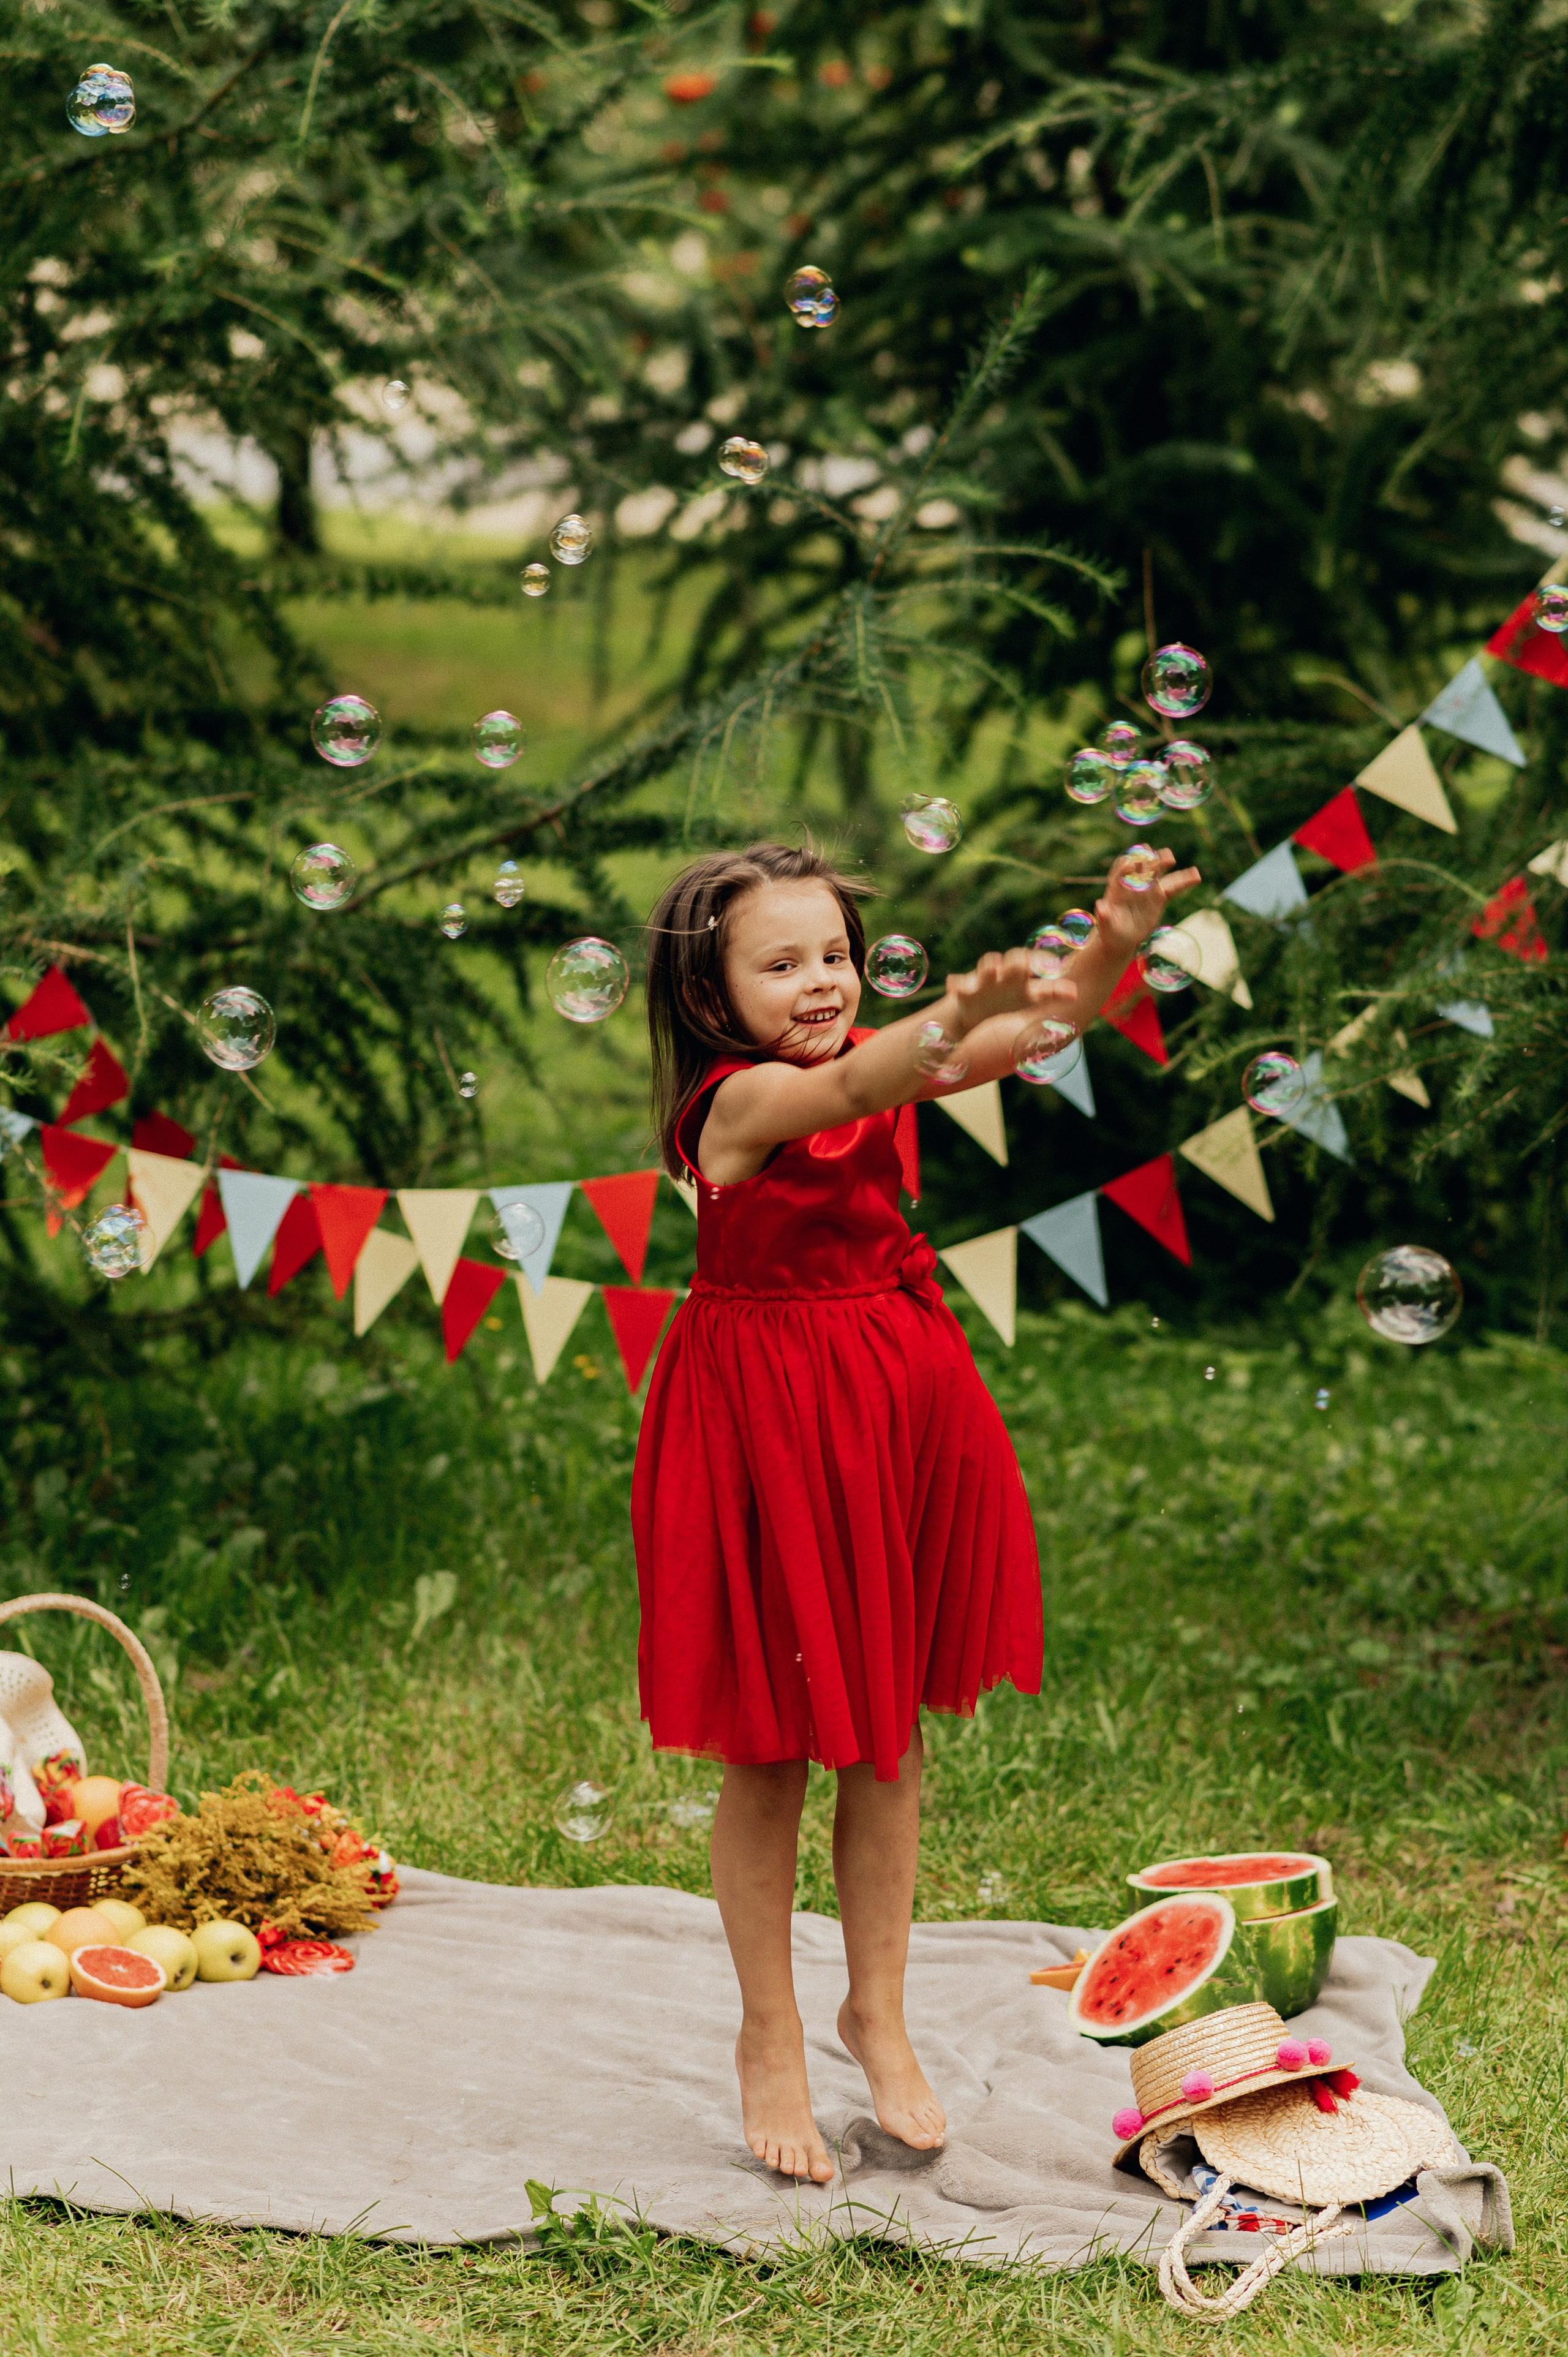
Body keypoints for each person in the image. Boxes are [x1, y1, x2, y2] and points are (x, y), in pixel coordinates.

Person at [633, 839, 1199, 2185]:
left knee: (883, 1736)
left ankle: (872, 2009)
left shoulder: (877, 1046)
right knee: (769, 1747)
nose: (820, 980)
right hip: (767, 1420)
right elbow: (858, 1078)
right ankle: (769, 2027)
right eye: (780, 964)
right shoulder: (740, 1101)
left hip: (891, 1393)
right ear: (713, 1000)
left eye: (832, 952)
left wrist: (1110, 943)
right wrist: (939, 1017)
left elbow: (1042, 1024)